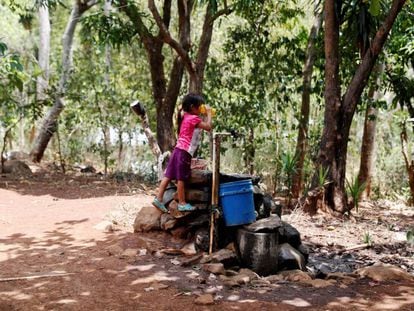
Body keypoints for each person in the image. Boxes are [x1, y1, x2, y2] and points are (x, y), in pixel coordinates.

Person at [152, 93, 213, 212]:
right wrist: (209, 114)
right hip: (185, 152)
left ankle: (159, 199)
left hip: (177, 150)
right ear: (192, 107)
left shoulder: (185, 116)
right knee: (182, 178)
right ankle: (182, 203)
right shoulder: (194, 119)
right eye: (199, 106)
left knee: (168, 175)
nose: (201, 108)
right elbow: (208, 127)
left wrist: (203, 113)